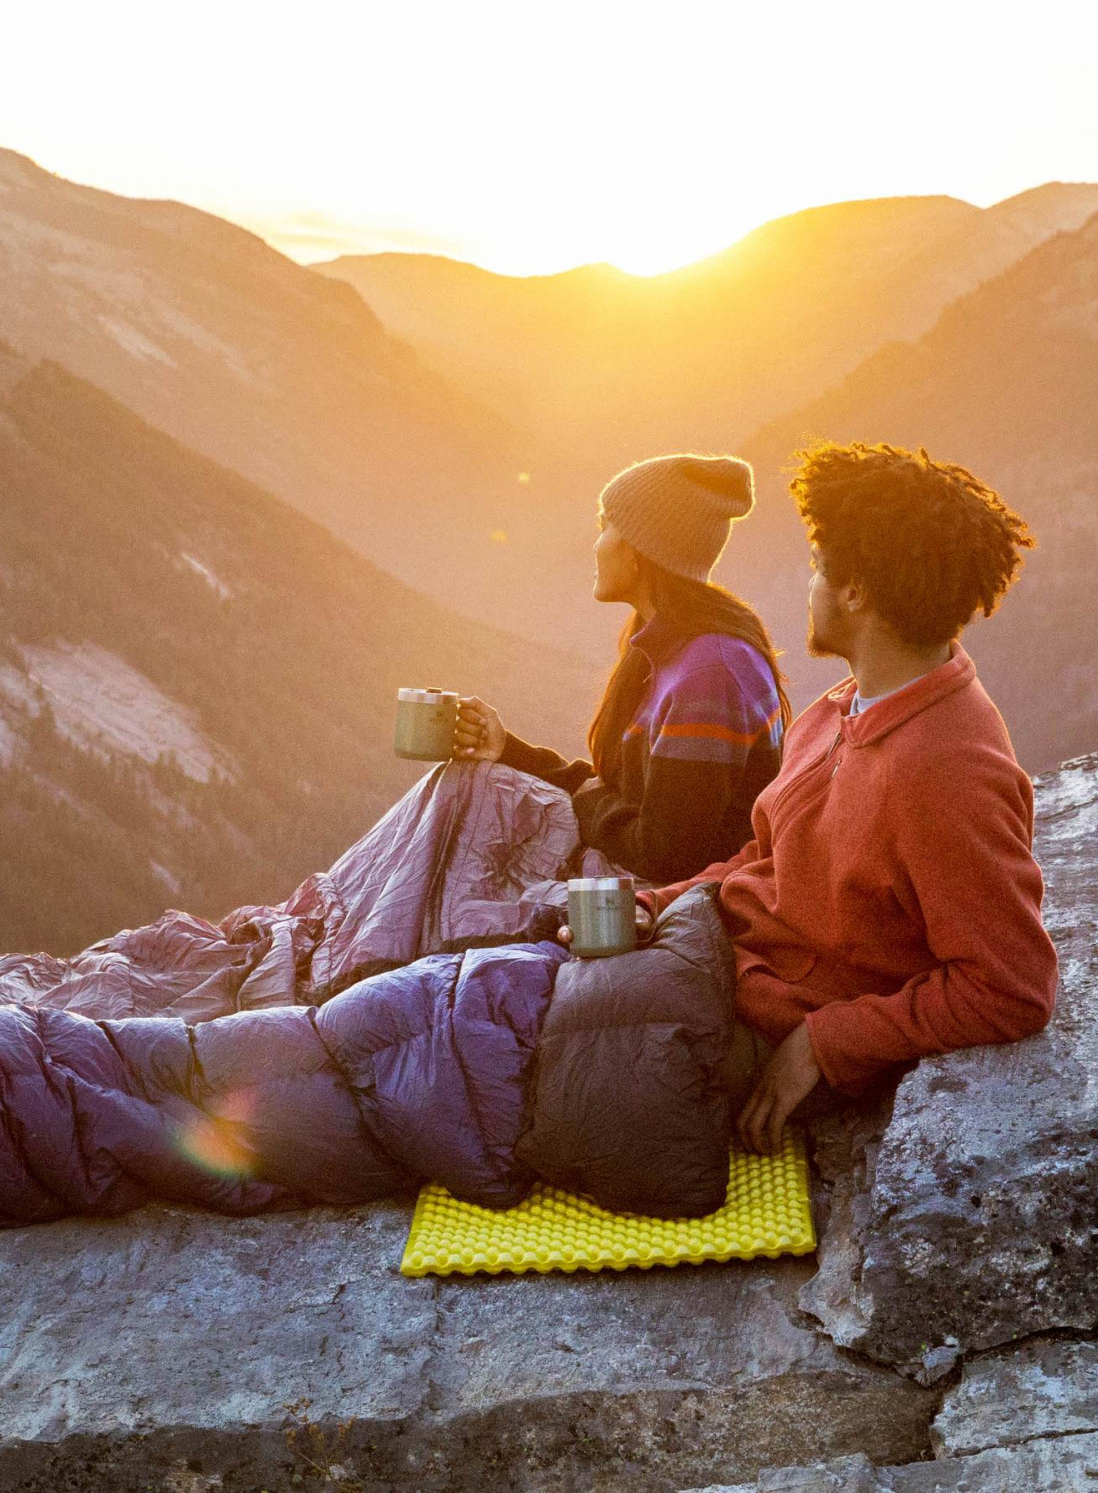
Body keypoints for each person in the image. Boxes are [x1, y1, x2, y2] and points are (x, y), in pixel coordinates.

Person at [566, 442, 1059, 1151]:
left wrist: (825, 1042)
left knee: (486, 1049)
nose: (808, 585)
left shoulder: (946, 768)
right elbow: (762, 855)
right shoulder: (842, 709)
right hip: (714, 960)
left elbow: (1012, 986)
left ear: (856, 591)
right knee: (490, 986)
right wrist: (658, 904)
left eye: (818, 567)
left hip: (758, 1026)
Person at [454, 453, 790, 883]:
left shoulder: (710, 673)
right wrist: (509, 752)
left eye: (604, 526)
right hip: (644, 891)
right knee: (464, 788)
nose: (595, 543)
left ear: (638, 551)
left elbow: (664, 856)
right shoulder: (664, 647)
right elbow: (623, 799)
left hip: (681, 909)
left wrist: (587, 796)